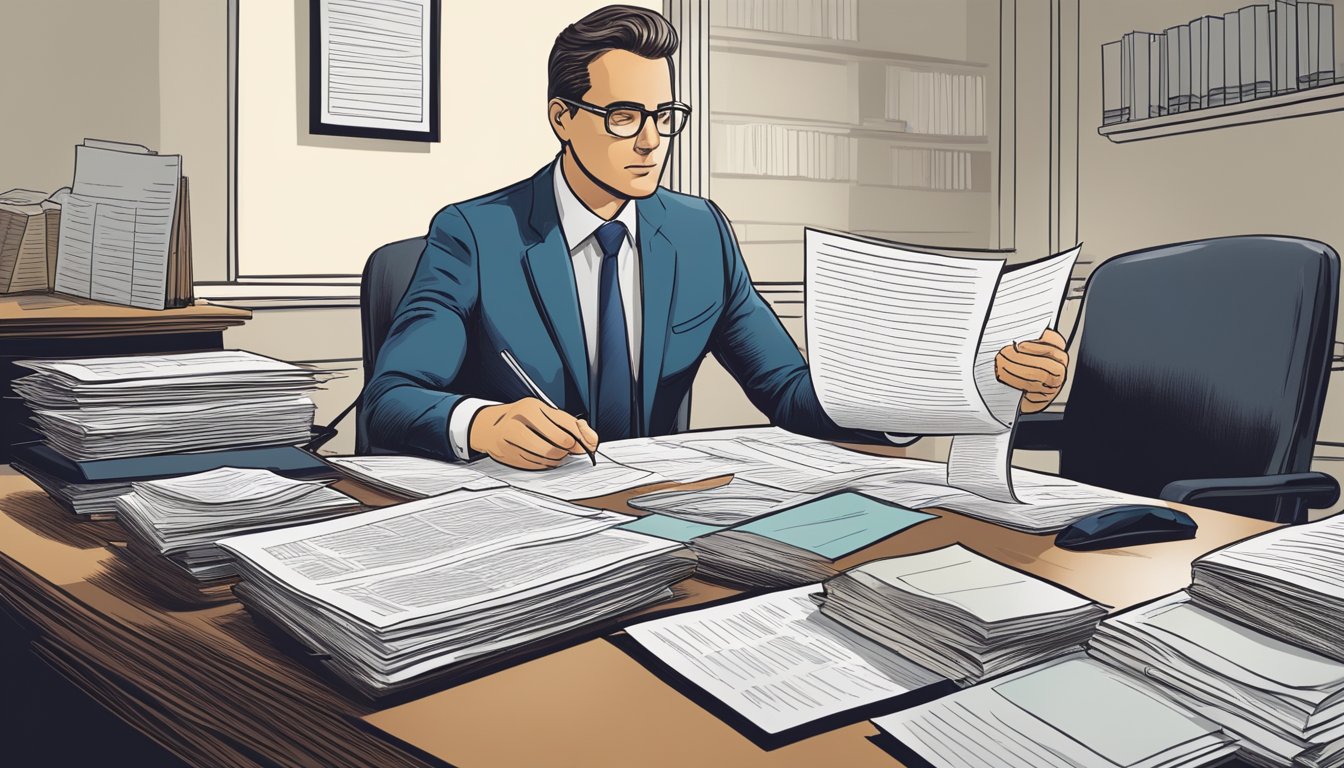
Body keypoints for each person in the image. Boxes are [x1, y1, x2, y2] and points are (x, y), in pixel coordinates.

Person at [361, 5, 1068, 469]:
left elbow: (789, 390)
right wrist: (481, 423)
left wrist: (957, 384)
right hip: (521, 527)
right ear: (562, 117)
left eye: (663, 115)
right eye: (622, 116)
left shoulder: (700, 234)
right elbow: (392, 397)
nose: (649, 141)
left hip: (657, 522)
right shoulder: (476, 234)